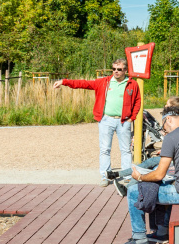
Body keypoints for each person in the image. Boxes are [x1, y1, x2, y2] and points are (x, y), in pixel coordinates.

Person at [112, 106, 179, 244]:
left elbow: (159, 174)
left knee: (134, 190)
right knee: (163, 183)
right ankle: (161, 232)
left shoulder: (171, 137)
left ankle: (139, 239)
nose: (164, 131)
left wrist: (139, 177)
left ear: (168, 119)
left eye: (163, 127)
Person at [55, 58, 141, 187]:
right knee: (105, 149)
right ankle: (105, 176)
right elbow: (83, 83)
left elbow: (137, 101)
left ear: (125, 70)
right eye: (114, 69)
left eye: (119, 69)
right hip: (106, 120)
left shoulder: (132, 84)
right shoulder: (104, 82)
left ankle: (127, 176)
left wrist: (131, 117)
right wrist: (64, 81)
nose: (116, 72)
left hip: (124, 121)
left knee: (125, 150)